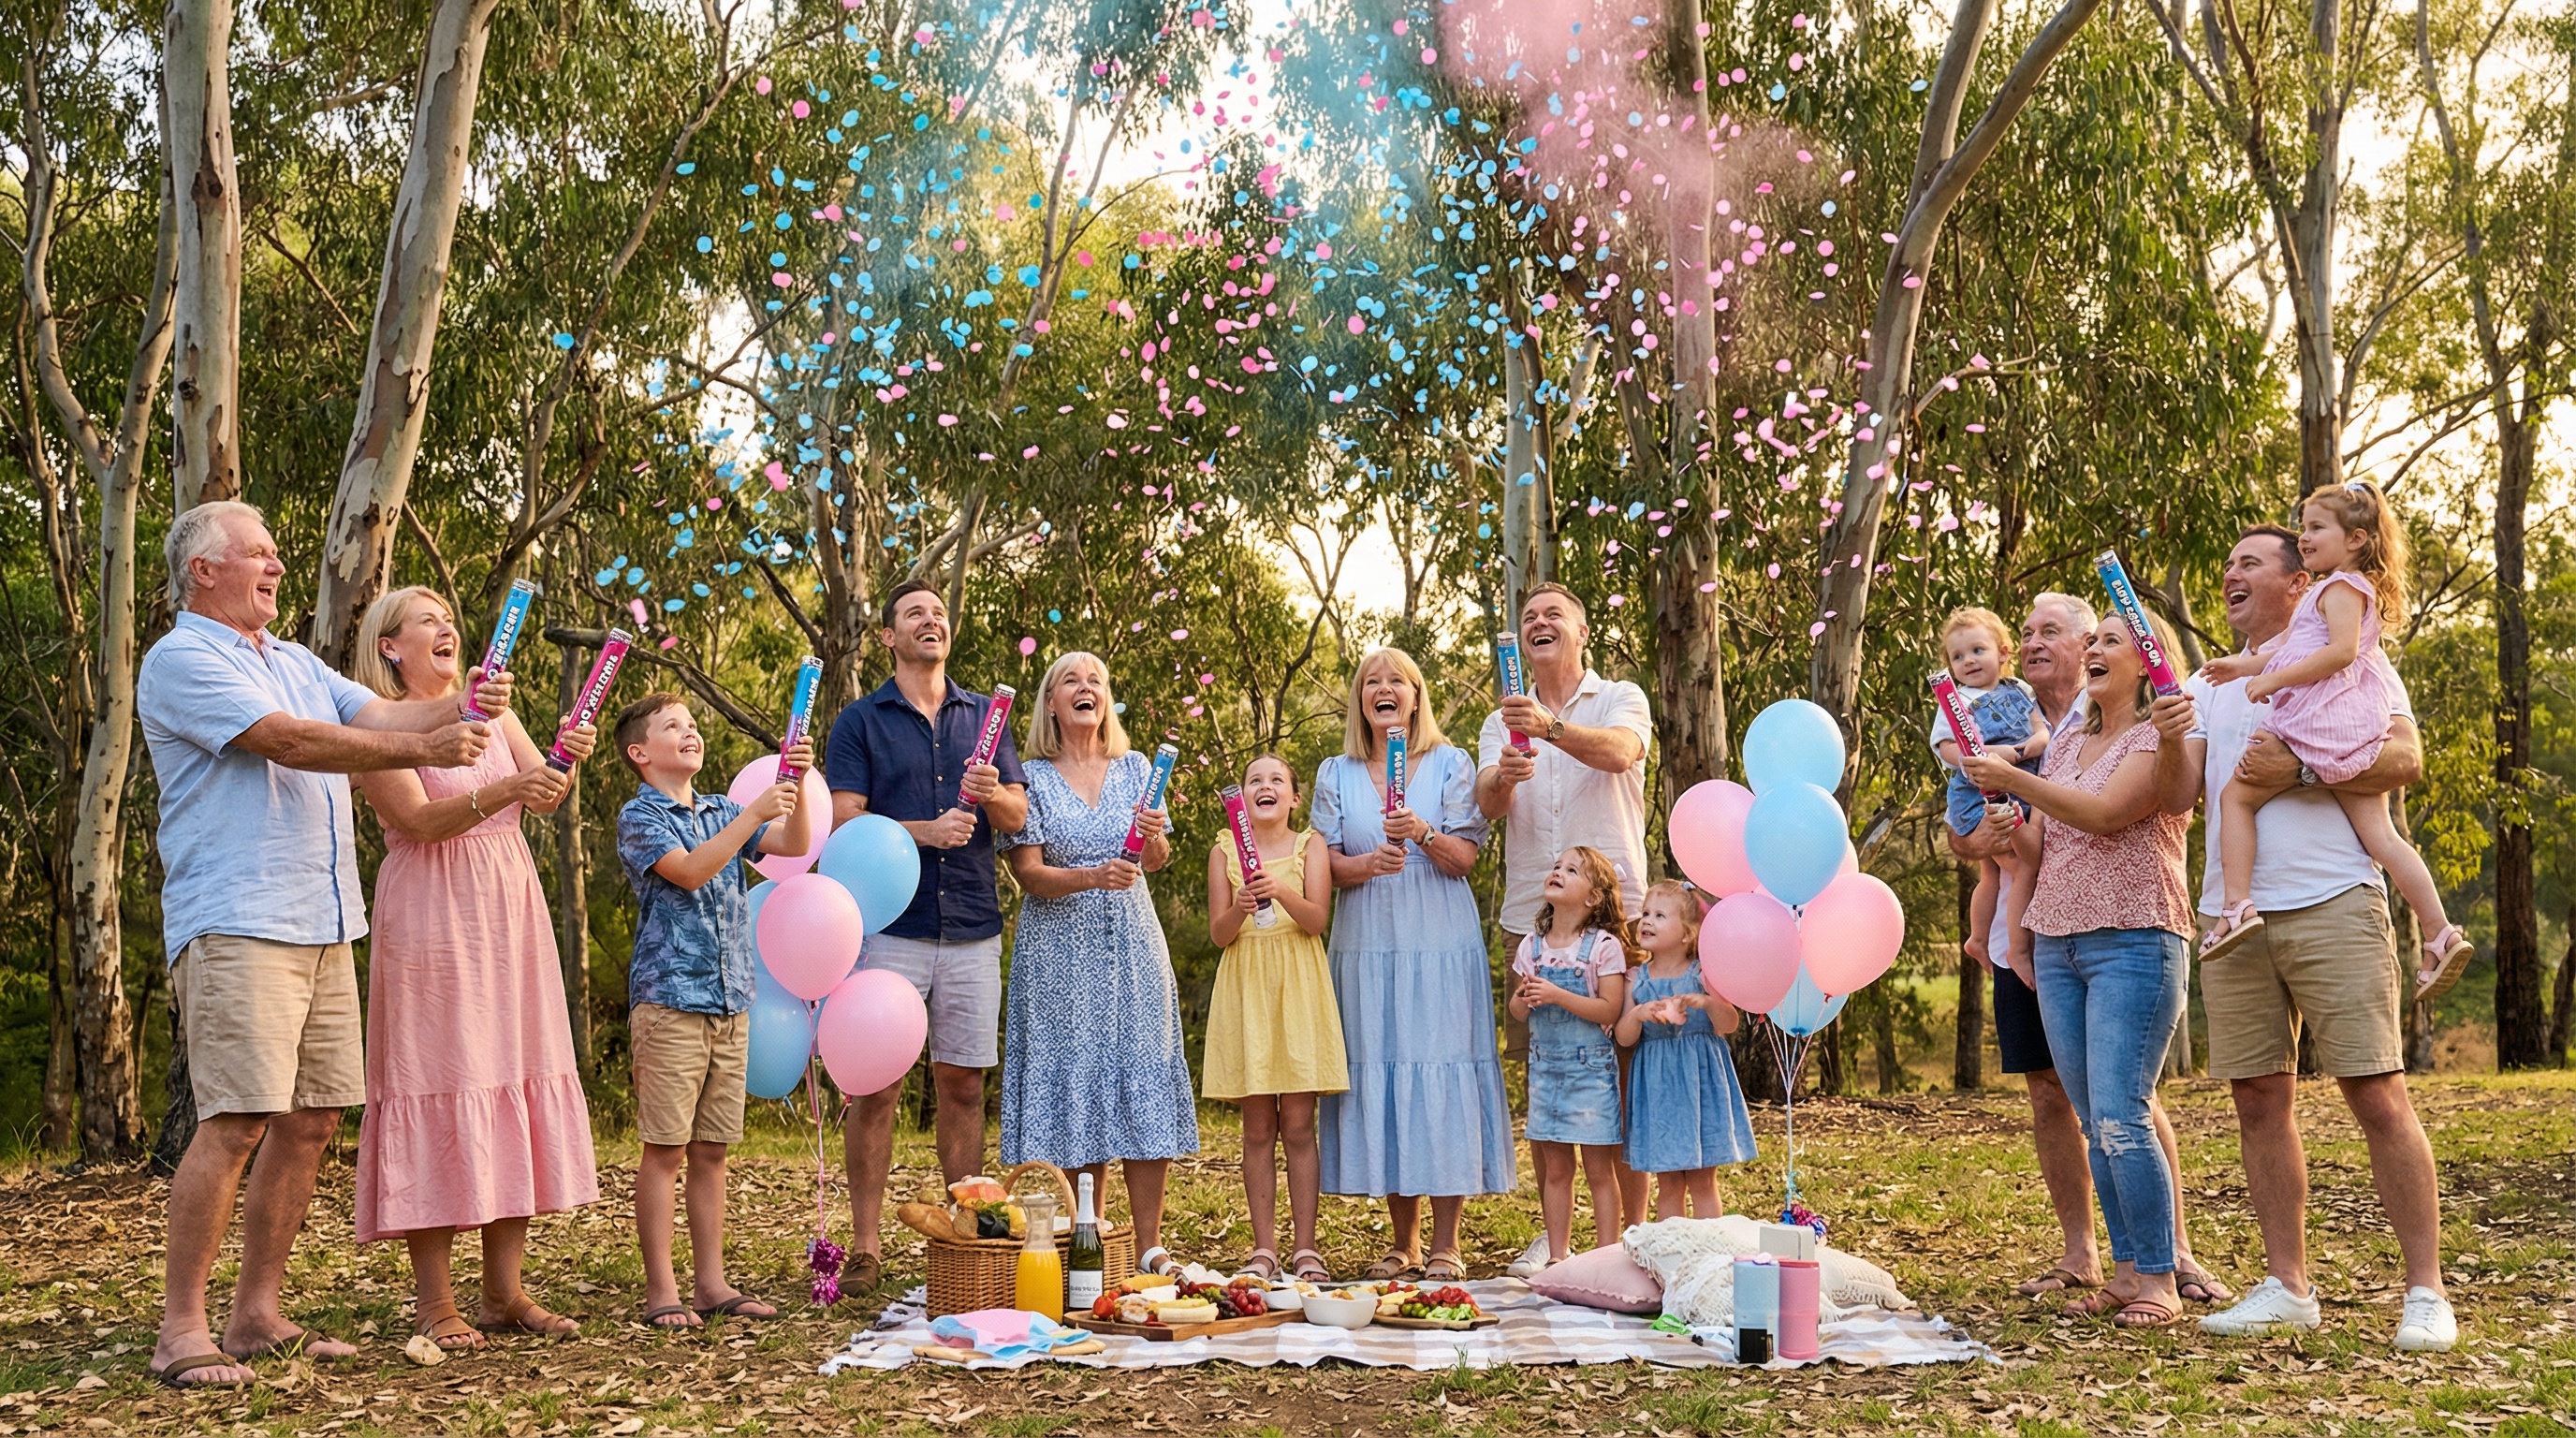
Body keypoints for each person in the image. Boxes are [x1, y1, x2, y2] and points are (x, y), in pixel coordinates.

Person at [139, 501, 504, 1388]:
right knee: (234, 1122)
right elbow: (289, 742)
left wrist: (459, 703)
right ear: (203, 571)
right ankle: (180, 1327)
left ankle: (256, 1315)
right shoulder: (182, 658)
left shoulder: (296, 661)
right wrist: (434, 738)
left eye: (275, 555)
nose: (275, 566)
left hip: (326, 918)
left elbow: (380, 716)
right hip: (239, 916)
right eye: (257, 554)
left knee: (310, 1122)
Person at [2156, 524, 2455, 1353]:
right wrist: (2167, 730)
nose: (2229, 575)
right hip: (2234, 913)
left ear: (2299, 583)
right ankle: (2288, 1286)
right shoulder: (2213, 681)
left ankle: (2426, 1291)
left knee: (2375, 1091)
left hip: (2333, 899)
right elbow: (2182, 794)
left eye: (2249, 561)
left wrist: (2306, 770)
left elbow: (2403, 758)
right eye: (2226, 563)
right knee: (2258, 1099)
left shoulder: (2348, 654)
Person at [347, 587, 600, 1350]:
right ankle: (435, 1303)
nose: (444, 626)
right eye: (425, 620)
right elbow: (416, 819)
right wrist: (506, 789)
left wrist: (565, 760)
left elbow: (546, 796)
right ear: (391, 647)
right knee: (440, 1077)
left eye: (445, 617)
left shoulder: (492, 707)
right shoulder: (373, 719)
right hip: (433, 911)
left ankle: (504, 1292)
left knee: (512, 1074)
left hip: (507, 906)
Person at [1950, 594, 2219, 1305]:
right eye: (2092, 639)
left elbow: (2104, 817)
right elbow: (2052, 839)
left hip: (2134, 936)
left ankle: (2160, 1278)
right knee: (2093, 1119)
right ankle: (2126, 1270)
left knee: (2122, 1113)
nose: (2095, 650)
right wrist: (2007, 824)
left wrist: (2013, 778)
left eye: (2110, 640)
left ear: (2145, 662)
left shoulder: (2163, 741)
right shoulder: (2067, 741)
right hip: (2059, 942)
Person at [826, 579, 1028, 1294]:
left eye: (939, 613)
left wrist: (992, 793)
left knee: (963, 1086)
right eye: (914, 613)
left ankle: (965, 1237)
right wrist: (925, 832)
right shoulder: (860, 722)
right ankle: (866, 1246)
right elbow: (842, 821)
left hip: (972, 925)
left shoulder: (987, 718)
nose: (930, 621)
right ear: (889, 636)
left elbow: (1015, 815)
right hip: (890, 930)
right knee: (876, 1088)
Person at [2196, 482, 2472, 998]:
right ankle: (2439, 932)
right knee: (2382, 837)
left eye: (2317, 527)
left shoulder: (2340, 588)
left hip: (2320, 720)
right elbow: (2297, 652)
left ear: (2356, 539)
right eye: (2303, 526)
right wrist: (2244, 666)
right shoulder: (2337, 590)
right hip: (2347, 725)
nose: (2305, 536)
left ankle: (2236, 906)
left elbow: (2339, 654)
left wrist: (2271, 681)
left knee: (2237, 794)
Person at [612, 693, 813, 1328]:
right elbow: (694, 871)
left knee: (712, 1151)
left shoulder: (723, 810)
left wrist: (796, 783)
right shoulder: (640, 817)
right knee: (665, 1150)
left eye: (694, 724)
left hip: (731, 1000)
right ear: (640, 754)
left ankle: (711, 1284)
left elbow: (794, 842)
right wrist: (755, 807)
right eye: (674, 726)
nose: (690, 732)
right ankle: (662, 1291)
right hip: (670, 1001)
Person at [1473, 582, 1655, 1276]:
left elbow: (1620, 753)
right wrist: (1508, 775)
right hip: (1534, 923)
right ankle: (1558, 1243)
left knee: (1623, 1080)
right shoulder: (1502, 719)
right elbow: (1487, 804)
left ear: (1582, 633)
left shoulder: (1618, 698)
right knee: (1549, 1075)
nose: (1538, 623)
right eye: (1528, 619)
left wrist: (1549, 731)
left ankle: (1632, 1239)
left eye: (1553, 615)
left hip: (1620, 916)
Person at [1317, 647, 1515, 1284]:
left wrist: (1423, 833)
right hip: (1368, 944)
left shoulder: (1452, 763)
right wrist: (1367, 864)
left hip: (1438, 942)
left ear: (1416, 695)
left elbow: (1465, 858)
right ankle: (1402, 1242)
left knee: (1441, 1070)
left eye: (1394, 680)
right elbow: (1321, 868)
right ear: (1360, 700)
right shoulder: (1335, 771)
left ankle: (1446, 1242)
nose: (1383, 689)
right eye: (1371, 681)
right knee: (1389, 1070)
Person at [996, 652, 1196, 1271]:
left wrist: (1155, 835)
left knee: (1139, 1072)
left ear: (1106, 700)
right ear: (1051, 704)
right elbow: (1028, 875)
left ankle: (1150, 1244)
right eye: (1069, 682)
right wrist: (1091, 875)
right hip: (1058, 956)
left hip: (1133, 946)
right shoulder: (1028, 776)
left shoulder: (1137, 768)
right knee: (1076, 1083)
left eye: (1096, 681)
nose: (1085, 689)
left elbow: (1152, 861)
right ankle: (1090, 1234)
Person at [1203, 754, 1346, 1284]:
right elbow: (1220, 934)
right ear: (1242, 797)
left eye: (1277, 780)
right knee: (1257, 1127)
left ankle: (1305, 1247)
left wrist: (1279, 889)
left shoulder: (1311, 847)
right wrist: (1241, 905)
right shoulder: (1224, 850)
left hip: (1298, 985)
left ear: (1294, 797)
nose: (1265, 786)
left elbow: (1316, 921)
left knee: (1300, 1125)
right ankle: (1265, 1247)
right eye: (1254, 780)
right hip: (1247, 989)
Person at [1507, 847, 1633, 1269]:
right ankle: (1559, 1258)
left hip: (1591, 1072)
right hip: (1546, 1073)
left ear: (1594, 897)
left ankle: (1605, 1259)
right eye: (1557, 865)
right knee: (1557, 1169)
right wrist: (1524, 1000)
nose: (1558, 871)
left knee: (1600, 1170)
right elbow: (1516, 1010)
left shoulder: (1604, 947)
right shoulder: (1532, 946)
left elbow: (1610, 1010)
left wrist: (1559, 995)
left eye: (1572, 869)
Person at [1614, 880, 1758, 1220]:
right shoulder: (1636, 980)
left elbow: (1729, 1023)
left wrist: (1708, 1002)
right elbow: (1623, 1037)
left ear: (1687, 933)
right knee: (1668, 1181)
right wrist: (1638, 1013)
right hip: (1658, 1088)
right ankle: (1673, 1254)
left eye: (1660, 915)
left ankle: (1709, 1252)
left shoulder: (1703, 973)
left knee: (1702, 1178)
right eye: (1646, 913)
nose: (1647, 920)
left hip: (1700, 1082)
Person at [1929, 605, 2050, 961]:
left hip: (2018, 788)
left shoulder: (2020, 689)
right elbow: (1945, 746)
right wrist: (1987, 754)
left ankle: (1978, 940)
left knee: (1991, 875)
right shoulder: (1956, 701)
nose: (1968, 661)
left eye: (1977, 650)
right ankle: (2017, 949)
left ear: (2003, 652)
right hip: (1979, 796)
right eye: (1958, 656)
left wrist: (2038, 742)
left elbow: (2040, 726)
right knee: (2022, 867)